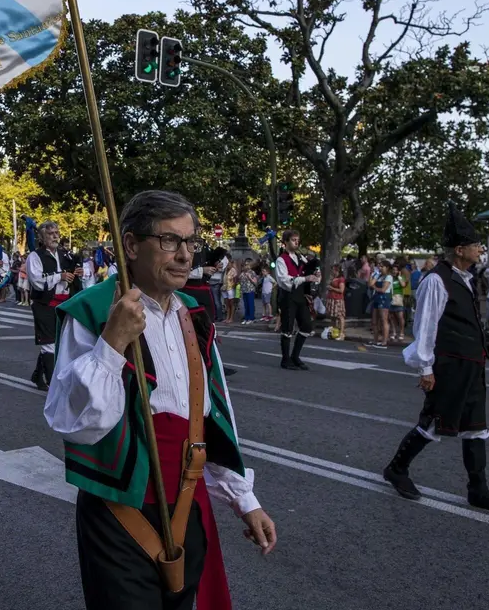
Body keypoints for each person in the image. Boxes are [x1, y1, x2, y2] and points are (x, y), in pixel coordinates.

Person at [44, 190, 276, 609]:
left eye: (191, 242)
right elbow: (74, 424)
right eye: (170, 241)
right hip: (120, 513)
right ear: (131, 245)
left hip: (189, 504)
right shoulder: (93, 311)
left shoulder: (194, 313)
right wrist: (112, 343)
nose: (186, 255)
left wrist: (246, 501)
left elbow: (212, 415)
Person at [382, 202, 489, 515]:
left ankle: (478, 489)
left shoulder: (466, 278)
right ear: (460, 249)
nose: (481, 249)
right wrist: (426, 368)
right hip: (449, 365)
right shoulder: (436, 280)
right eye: (475, 245)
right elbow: (425, 328)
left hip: (471, 365)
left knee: (475, 427)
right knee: (433, 422)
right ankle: (397, 469)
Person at [26, 221, 75, 391]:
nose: (55, 236)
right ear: (41, 237)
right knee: (49, 343)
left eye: (56, 232)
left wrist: (76, 275)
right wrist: (59, 276)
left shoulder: (64, 255)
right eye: (50, 233)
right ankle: (53, 384)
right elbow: (37, 282)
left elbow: (70, 274)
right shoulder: (35, 256)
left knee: (57, 343)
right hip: (44, 303)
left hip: (63, 303)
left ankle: (38, 375)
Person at [276, 230, 319, 369]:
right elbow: (284, 280)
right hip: (288, 296)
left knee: (307, 325)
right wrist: (304, 278)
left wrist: (314, 274)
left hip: (300, 295)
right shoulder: (281, 259)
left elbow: (308, 272)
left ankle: (295, 356)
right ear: (286, 242)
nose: (296, 242)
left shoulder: (301, 258)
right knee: (287, 328)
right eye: (293, 240)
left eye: (297, 240)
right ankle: (285, 359)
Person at [326, 263, 347, 341]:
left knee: (340, 316)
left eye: (333, 269)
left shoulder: (341, 279)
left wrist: (332, 288)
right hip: (332, 298)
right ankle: (334, 332)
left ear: (336, 270)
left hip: (338, 299)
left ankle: (342, 333)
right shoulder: (333, 278)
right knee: (333, 317)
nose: (332, 271)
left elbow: (341, 290)